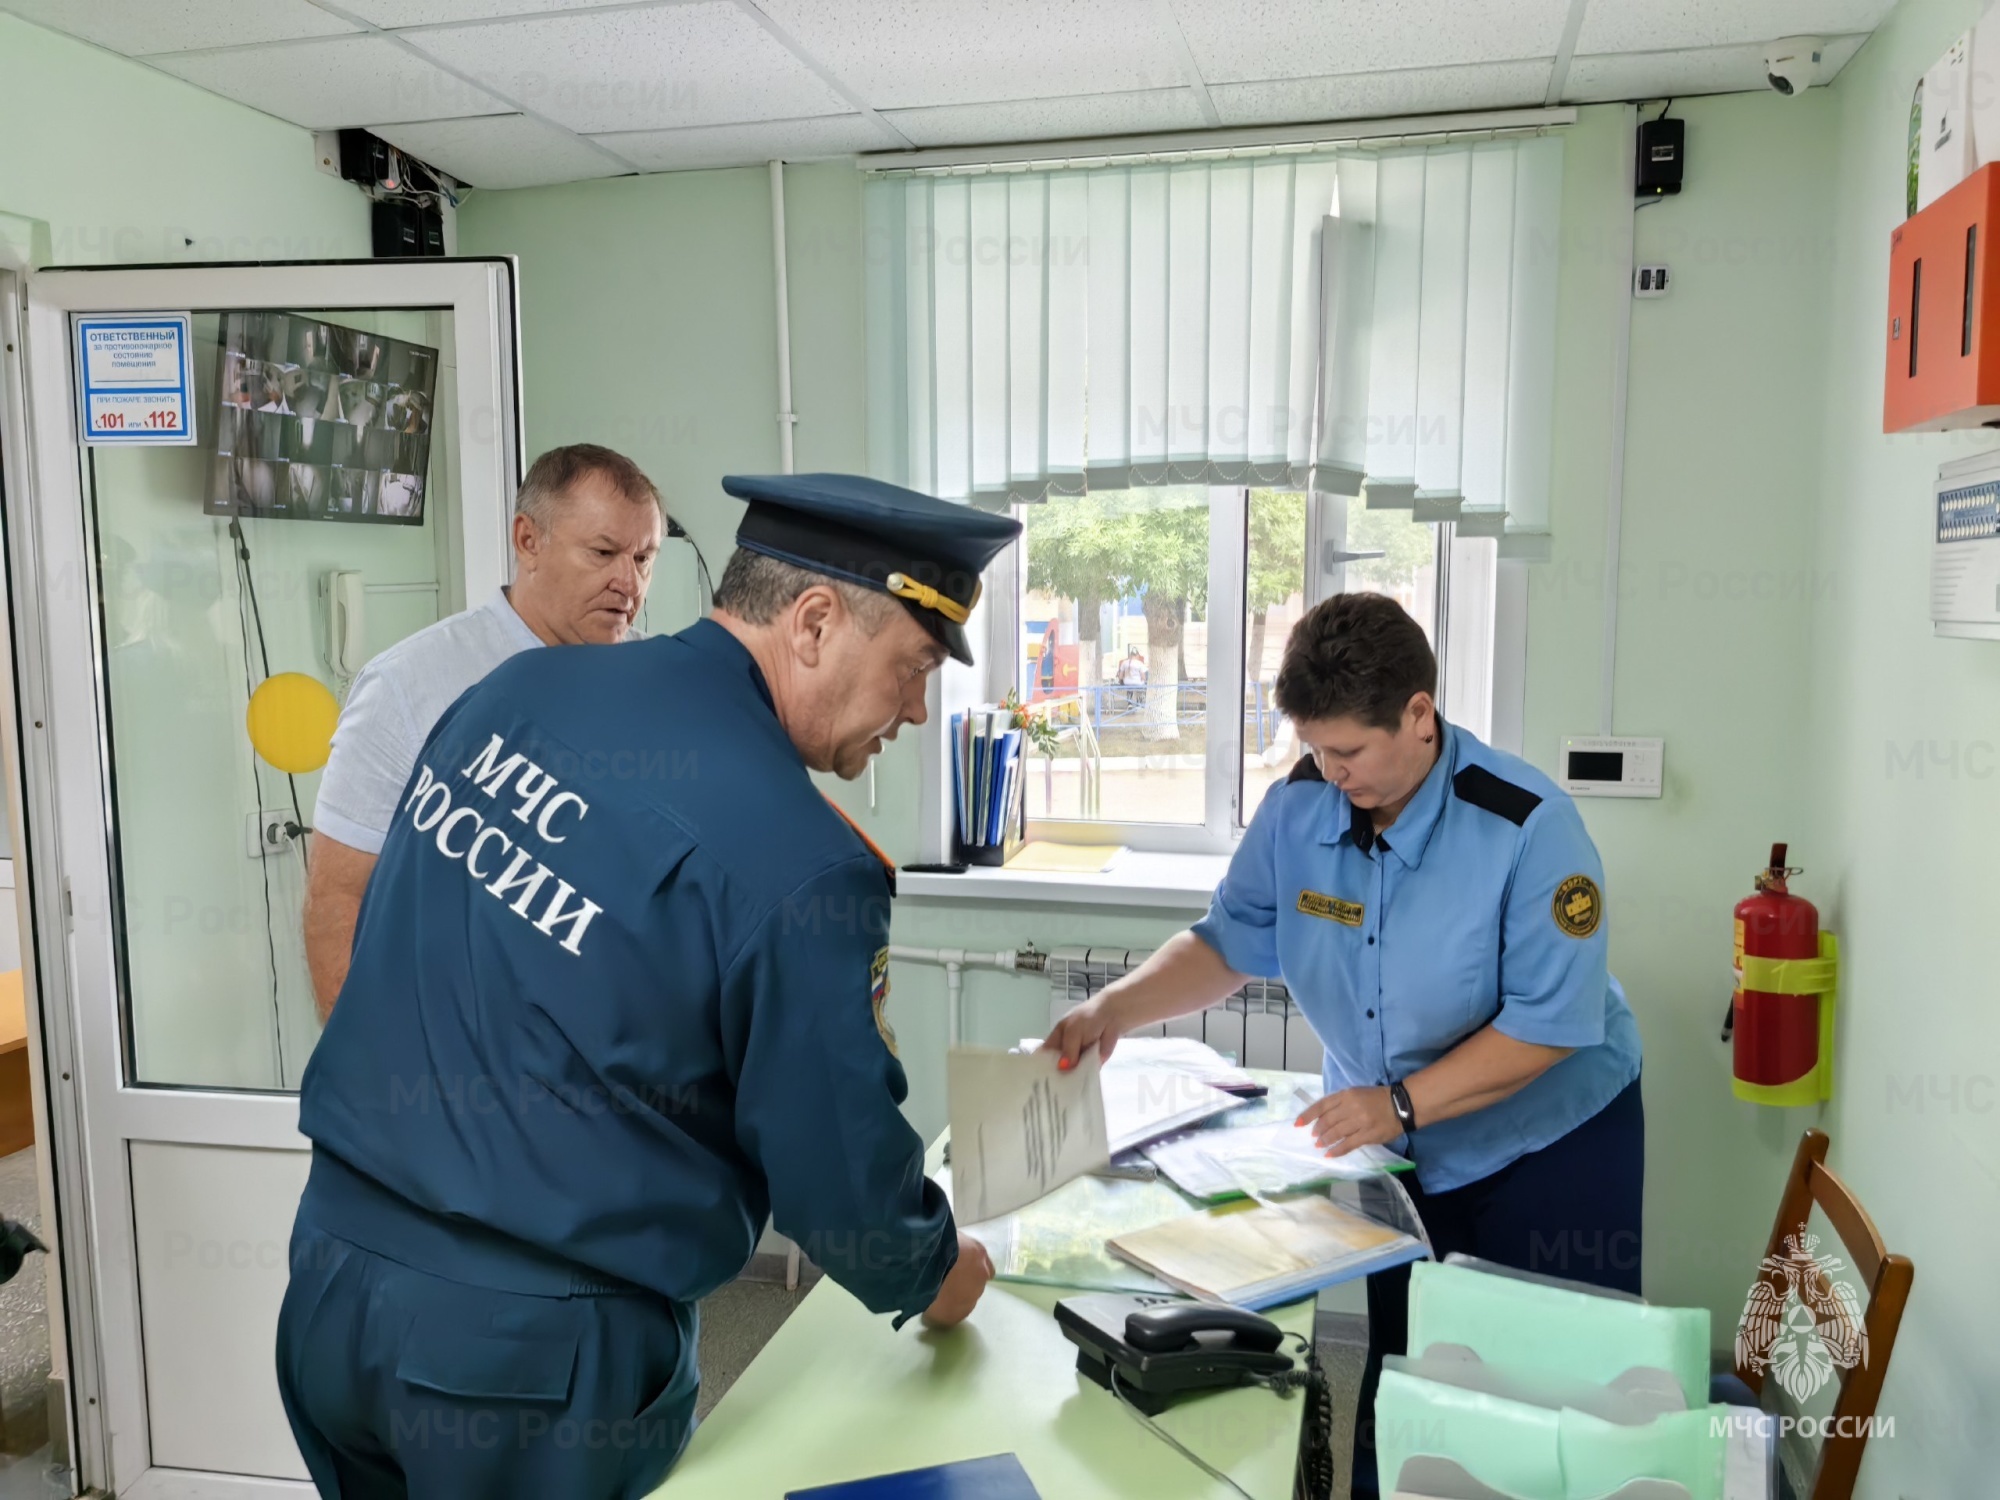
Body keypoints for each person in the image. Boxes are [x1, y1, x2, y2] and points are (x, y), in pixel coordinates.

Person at [276, 472, 1016, 1499]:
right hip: (526, 1364)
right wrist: (938, 1269)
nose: (918, 709)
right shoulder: (803, 864)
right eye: (915, 667)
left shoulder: (517, 693)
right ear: (812, 623)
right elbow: (834, 1170)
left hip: (333, 1283)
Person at [1044, 590, 1644, 1498]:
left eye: (1350, 751)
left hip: (1547, 1143)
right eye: (1315, 748)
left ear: (1419, 715)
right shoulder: (1300, 808)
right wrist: (1115, 1009)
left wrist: (1398, 1103)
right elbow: (1227, 943)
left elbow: (1548, 1027)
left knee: (1543, 1395)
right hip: (1395, 1146)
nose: (1331, 771)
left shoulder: (1528, 827)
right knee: (1414, 1382)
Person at [303, 443, 663, 1020]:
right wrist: (362, 1062)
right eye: (603, 552)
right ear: (528, 541)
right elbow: (338, 899)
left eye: (644, 558)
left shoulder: (660, 683)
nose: (630, 582)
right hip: (462, 1041)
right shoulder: (409, 685)